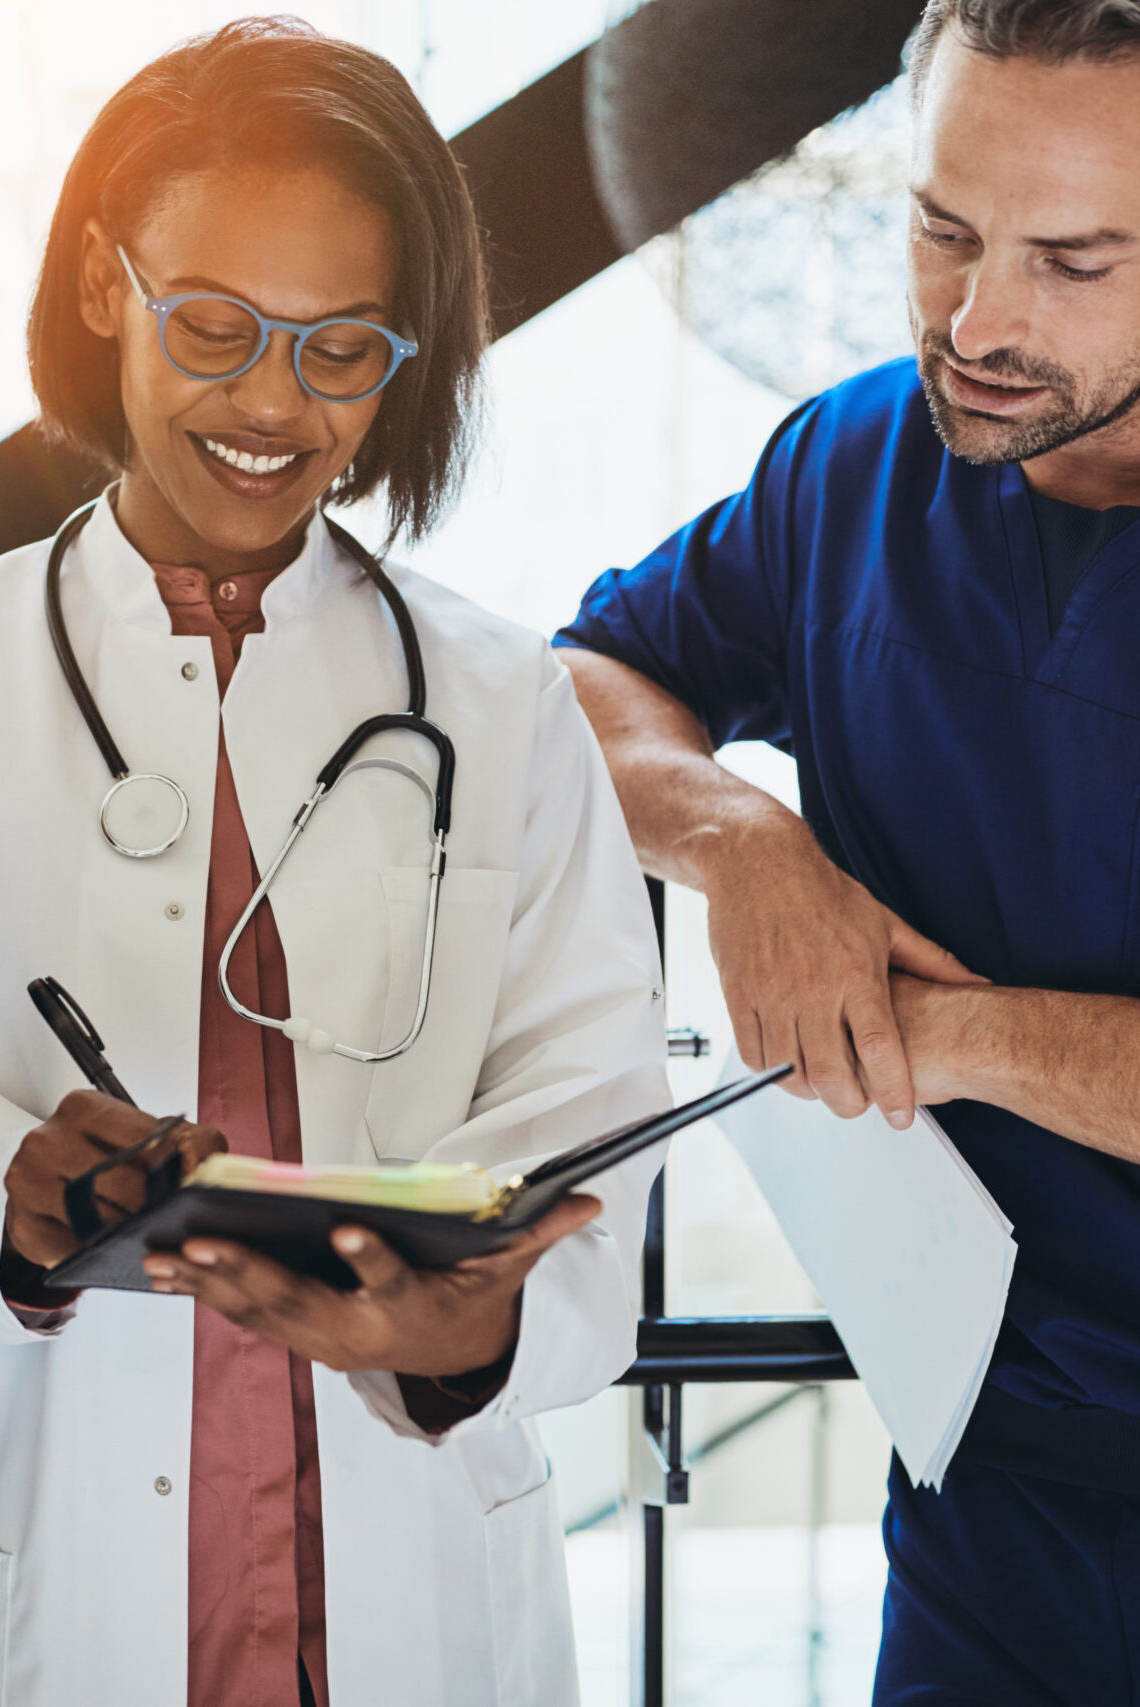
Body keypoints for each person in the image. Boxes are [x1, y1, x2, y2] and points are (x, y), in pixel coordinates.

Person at [0, 18, 668, 1707]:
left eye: (341, 352)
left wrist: (480, 1327)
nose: (269, 404)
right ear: (108, 288)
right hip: (42, 1585)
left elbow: (589, 1118)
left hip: (405, 1580)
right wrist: (3, 1199)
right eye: (219, 326)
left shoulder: (498, 697)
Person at [558, 0, 1140, 1698]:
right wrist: (747, 849)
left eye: (1073, 261)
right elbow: (590, 682)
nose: (976, 317)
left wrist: (926, 1033)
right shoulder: (853, 466)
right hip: (979, 1492)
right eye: (941, 227)